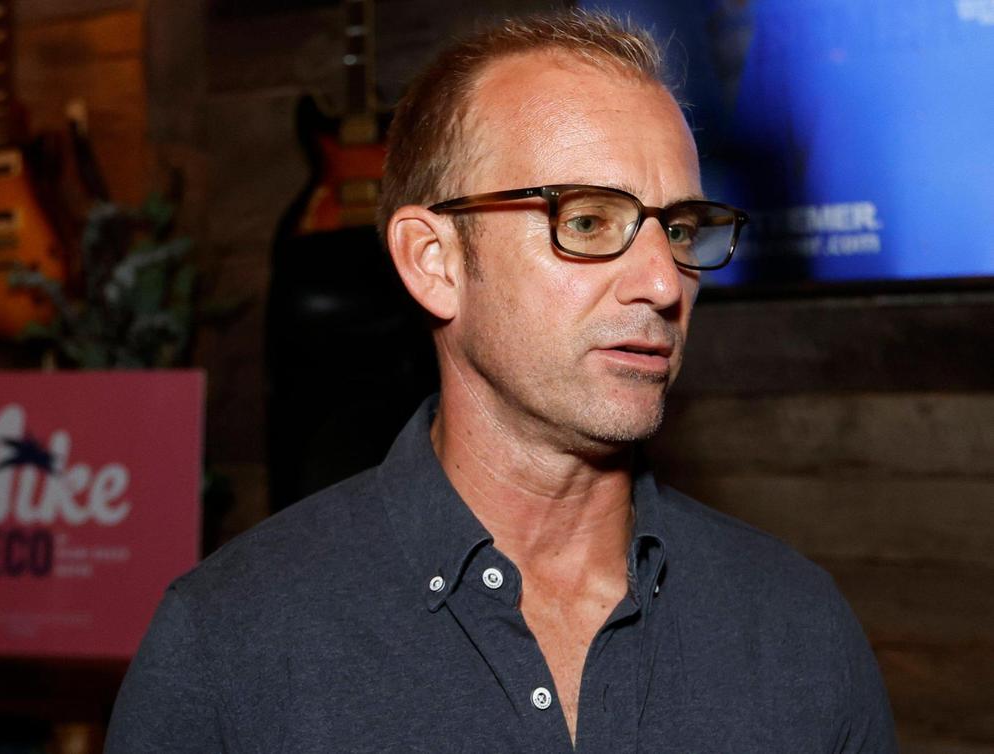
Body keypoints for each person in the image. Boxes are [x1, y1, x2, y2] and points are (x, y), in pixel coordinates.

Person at [106, 12, 897, 752]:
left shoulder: (799, 627)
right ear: (435, 262)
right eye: (587, 221)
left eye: (682, 229)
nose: (664, 282)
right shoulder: (227, 644)